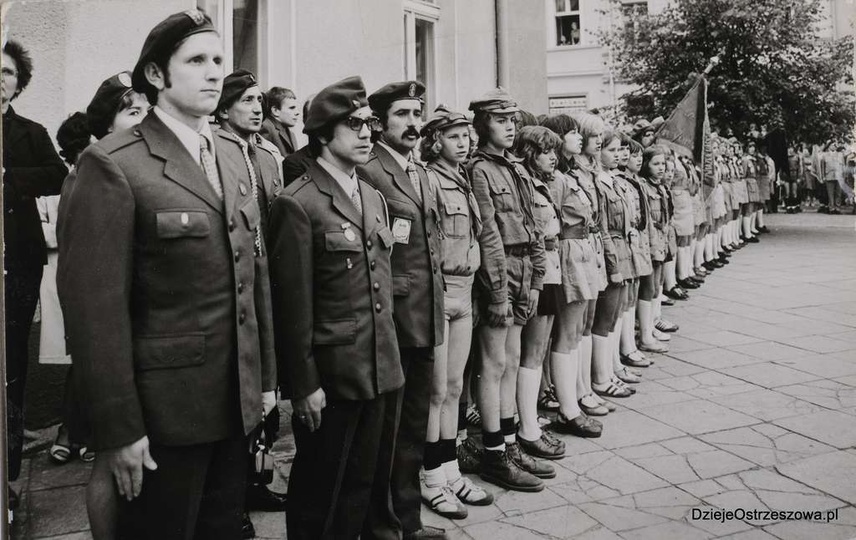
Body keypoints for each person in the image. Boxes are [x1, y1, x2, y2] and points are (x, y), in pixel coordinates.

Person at [56, 11, 277, 539]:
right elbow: (95, 311)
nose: (213, 73)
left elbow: (253, 273)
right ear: (156, 76)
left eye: (219, 61)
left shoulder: (229, 154)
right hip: (163, 418)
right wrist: (119, 430)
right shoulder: (115, 164)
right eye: (196, 61)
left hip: (233, 405)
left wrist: (264, 382)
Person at [266, 75, 404, 539]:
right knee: (322, 494)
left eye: (369, 123)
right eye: (353, 124)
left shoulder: (371, 194)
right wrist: (304, 386)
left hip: (381, 365)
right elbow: (292, 306)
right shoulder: (298, 203)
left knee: (367, 485)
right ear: (324, 133)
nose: (367, 133)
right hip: (333, 374)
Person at [52, 72, 151, 540]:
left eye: (147, 112)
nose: (145, 123)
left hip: (133, 342)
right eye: (133, 113)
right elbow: (85, 280)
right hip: (109, 346)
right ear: (105, 126)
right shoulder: (91, 174)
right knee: (112, 461)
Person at [358, 80, 447, 540]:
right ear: (379, 124)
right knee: (387, 435)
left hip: (424, 316)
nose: (414, 123)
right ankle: (383, 527)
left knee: (411, 430)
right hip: (391, 320)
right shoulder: (370, 171)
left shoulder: (421, 171)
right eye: (403, 115)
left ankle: (407, 521)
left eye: (417, 113)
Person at [214, 68, 287, 538]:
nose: (257, 107)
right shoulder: (214, 150)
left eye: (260, 99)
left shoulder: (266, 153)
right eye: (246, 100)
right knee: (239, 393)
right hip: (238, 283)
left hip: (271, 281)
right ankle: (229, 500)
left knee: (268, 386)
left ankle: (257, 478)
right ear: (224, 108)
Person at [468, 88, 549, 493]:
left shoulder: (514, 167)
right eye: (501, 121)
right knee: (493, 363)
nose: (510, 127)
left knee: (513, 360)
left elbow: (532, 224)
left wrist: (535, 278)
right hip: (498, 273)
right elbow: (488, 234)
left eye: (513, 120)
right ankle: (493, 453)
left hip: (521, 270)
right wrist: (497, 292)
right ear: (483, 125)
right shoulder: (479, 169)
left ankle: (512, 443)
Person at [3, 39, 69, 511]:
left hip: (18, 260)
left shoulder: (29, 131)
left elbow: (56, 174)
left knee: (10, 362)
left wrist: (7, 178)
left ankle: (7, 472)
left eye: (7, 72)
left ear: (18, 82)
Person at [419, 105, 494, 520]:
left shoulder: (462, 179)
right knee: (435, 391)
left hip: (465, 290)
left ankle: (448, 469)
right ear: (435, 141)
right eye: (453, 136)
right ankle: (431, 478)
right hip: (442, 288)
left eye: (466, 136)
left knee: (452, 388)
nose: (463, 143)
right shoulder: (429, 179)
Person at [513, 126, 579, 448]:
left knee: (537, 350)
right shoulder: (524, 184)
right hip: (537, 272)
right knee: (532, 350)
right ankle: (527, 428)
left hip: (550, 269)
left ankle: (529, 421)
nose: (553, 157)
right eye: (545, 151)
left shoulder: (541, 184)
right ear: (529, 153)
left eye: (554, 151)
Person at [260, 86, 300, 158]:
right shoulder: (266, 127)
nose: (297, 112)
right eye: (292, 108)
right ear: (275, 110)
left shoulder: (290, 133)